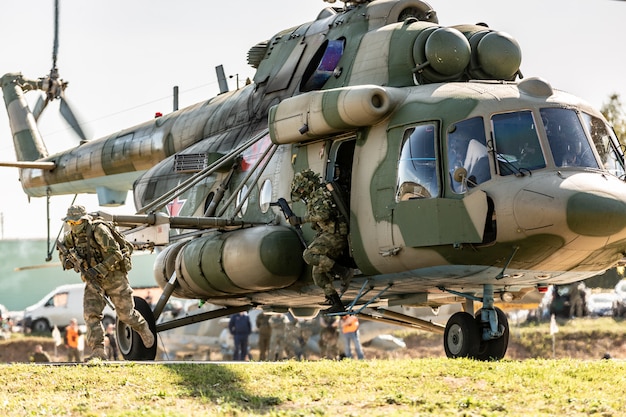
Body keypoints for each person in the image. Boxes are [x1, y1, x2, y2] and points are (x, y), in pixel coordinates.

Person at [58, 205, 154, 361]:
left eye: (77, 222)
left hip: (114, 276)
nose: (74, 226)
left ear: (85, 219)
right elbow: (62, 250)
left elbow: (116, 253)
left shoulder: (99, 230)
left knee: (125, 315)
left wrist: (99, 269)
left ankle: (142, 326)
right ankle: (98, 351)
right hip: (93, 280)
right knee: (91, 315)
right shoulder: (71, 237)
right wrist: (67, 261)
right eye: (71, 223)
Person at [290, 169, 352, 313]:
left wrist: (301, 220)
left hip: (335, 235)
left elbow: (324, 214)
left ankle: (343, 271)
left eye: (301, 188)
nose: (300, 192)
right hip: (328, 233)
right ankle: (336, 302)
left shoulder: (320, 193)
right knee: (318, 274)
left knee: (308, 255)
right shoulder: (314, 196)